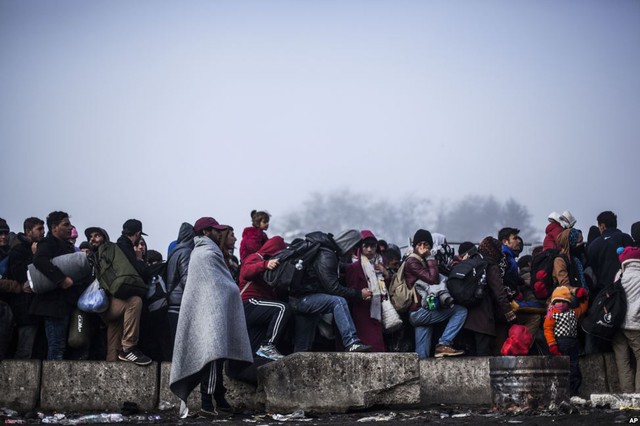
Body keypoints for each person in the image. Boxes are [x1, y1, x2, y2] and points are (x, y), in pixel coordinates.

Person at [170, 217, 253, 418]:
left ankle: (221, 401)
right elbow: (219, 285)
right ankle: (208, 404)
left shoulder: (204, 252)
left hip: (212, 311)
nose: (219, 234)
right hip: (210, 312)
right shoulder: (206, 253)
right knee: (213, 358)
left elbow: (218, 283)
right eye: (215, 230)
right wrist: (234, 289)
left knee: (217, 356)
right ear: (206, 232)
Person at [289, 229, 373, 353]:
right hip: (304, 299)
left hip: (300, 297)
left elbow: (334, 270)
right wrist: (358, 293)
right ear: (348, 243)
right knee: (338, 301)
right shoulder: (327, 255)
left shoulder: (328, 253)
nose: (352, 252)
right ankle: (351, 342)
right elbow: (333, 288)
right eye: (353, 248)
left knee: (302, 348)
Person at [92, 223, 151, 366]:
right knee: (134, 302)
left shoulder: (111, 249)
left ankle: (111, 364)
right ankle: (128, 348)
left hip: (106, 303)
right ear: (137, 234)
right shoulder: (125, 248)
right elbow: (140, 273)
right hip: (114, 299)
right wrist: (139, 260)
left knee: (115, 326)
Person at [29, 211, 83, 360]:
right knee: (56, 346)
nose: (69, 228)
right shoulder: (48, 243)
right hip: (52, 306)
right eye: (65, 225)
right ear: (54, 227)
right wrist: (61, 279)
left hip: (64, 305)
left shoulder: (67, 246)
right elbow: (39, 260)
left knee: (63, 347)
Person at [406, 229, 467, 358]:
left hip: (421, 310)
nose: (423, 248)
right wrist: (430, 257)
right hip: (419, 311)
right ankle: (444, 343)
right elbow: (432, 279)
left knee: (422, 356)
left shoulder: (420, 261)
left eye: (426, 244)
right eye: (419, 244)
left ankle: (421, 378)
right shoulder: (412, 261)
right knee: (460, 311)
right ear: (414, 246)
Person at [238, 236, 292, 360]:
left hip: (259, 305)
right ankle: (268, 346)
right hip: (249, 302)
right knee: (282, 309)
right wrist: (265, 264)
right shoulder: (255, 257)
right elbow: (246, 272)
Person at [462, 237, 515, 356]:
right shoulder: (490, 265)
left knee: (470, 357)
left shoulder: (471, 262)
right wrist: (510, 315)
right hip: (482, 319)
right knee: (483, 358)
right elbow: (499, 293)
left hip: (465, 317)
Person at [7, 217, 45, 359]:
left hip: (37, 309)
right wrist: (34, 257)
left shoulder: (42, 247)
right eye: (39, 229)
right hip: (25, 310)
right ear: (29, 231)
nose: (43, 232)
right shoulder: (18, 249)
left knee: (37, 353)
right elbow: (19, 273)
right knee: (24, 351)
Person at [346, 231, 389, 352]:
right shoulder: (354, 267)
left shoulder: (380, 265)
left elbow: (388, 288)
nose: (369, 250)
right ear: (361, 248)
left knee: (378, 347)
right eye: (366, 246)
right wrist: (361, 294)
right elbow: (350, 291)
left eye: (372, 246)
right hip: (361, 312)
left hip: (377, 311)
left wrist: (385, 273)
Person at [544, 285, 588, 396]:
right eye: (557, 301)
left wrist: (583, 296)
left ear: (568, 302)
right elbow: (547, 330)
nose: (561, 304)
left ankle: (574, 393)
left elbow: (583, 307)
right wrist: (552, 345)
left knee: (574, 369)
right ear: (553, 303)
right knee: (561, 370)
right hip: (559, 345)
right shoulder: (551, 315)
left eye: (564, 301)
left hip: (573, 344)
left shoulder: (573, 312)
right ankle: (561, 394)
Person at [612, 246, 640, 393]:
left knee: (622, 362)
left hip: (618, 324)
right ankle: (639, 398)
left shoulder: (619, 275)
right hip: (636, 325)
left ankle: (627, 396)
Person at [165, 222, 195, 355]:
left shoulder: (174, 252)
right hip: (179, 304)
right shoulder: (186, 253)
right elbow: (186, 279)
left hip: (171, 303)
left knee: (174, 346)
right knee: (181, 348)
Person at [587, 211, 633, 295]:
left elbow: (593, 269)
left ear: (602, 226)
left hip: (604, 293)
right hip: (627, 288)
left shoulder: (593, 245)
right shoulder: (626, 238)